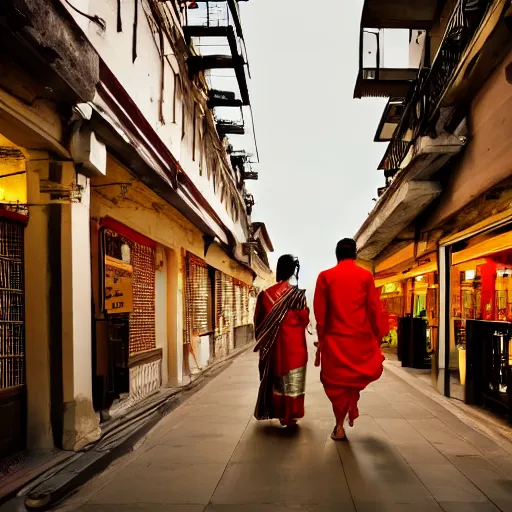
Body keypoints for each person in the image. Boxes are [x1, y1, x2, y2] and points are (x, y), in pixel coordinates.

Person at [314, 238, 388, 440]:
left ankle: (339, 425)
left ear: (336, 254)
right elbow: (374, 309)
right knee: (351, 382)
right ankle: (347, 411)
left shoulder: (325, 277)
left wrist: (321, 340)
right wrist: (378, 334)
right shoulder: (365, 276)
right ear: (355, 254)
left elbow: (321, 314)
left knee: (336, 385)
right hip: (359, 341)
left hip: (335, 342)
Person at [253, 255, 309, 427]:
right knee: (294, 381)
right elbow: (305, 320)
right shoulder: (298, 295)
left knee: (277, 380)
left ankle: (278, 412)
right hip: (296, 347)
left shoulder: (265, 295)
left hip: (275, 347)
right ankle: (291, 414)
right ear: (294, 270)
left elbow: (259, 322)